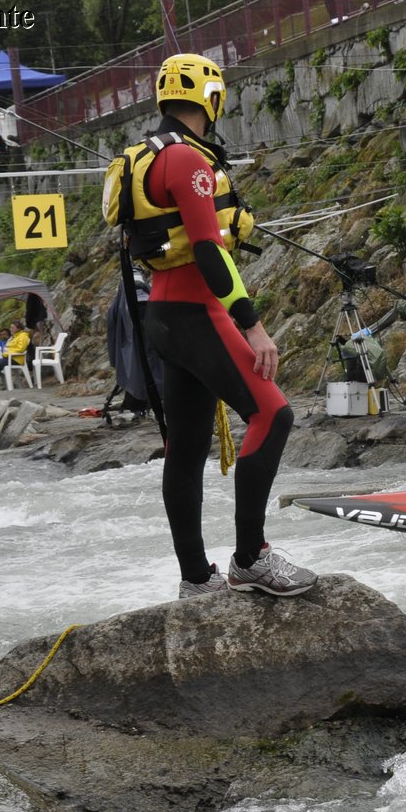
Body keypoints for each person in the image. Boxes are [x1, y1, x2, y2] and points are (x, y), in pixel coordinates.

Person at [129, 52, 314, 598]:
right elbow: (209, 252)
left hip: (161, 315)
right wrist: (252, 325)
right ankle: (250, 559)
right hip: (195, 311)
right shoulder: (187, 161)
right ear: (210, 99)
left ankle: (195, 580)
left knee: (185, 448)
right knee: (273, 415)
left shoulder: (146, 155)